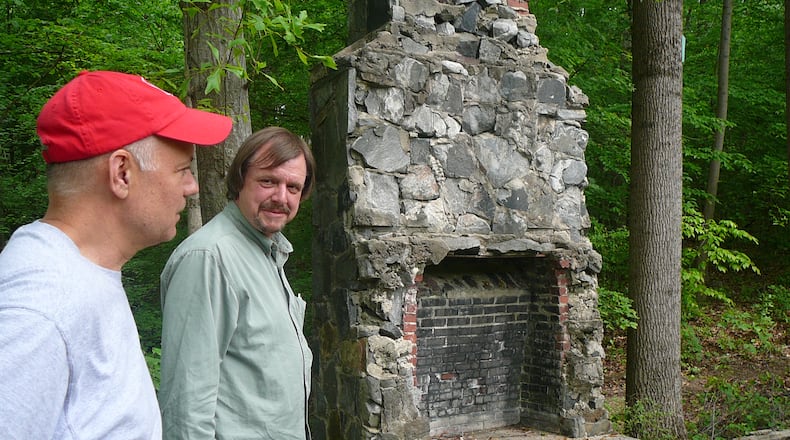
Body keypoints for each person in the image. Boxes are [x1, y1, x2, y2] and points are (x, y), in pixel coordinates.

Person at [0, 70, 233, 439]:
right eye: (183, 170)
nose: (191, 187)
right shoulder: (38, 311)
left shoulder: (84, 272)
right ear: (122, 173)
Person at [158, 126, 315, 440]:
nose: (281, 197)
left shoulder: (269, 253)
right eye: (268, 181)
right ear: (240, 180)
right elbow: (186, 405)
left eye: (293, 187)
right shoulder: (209, 257)